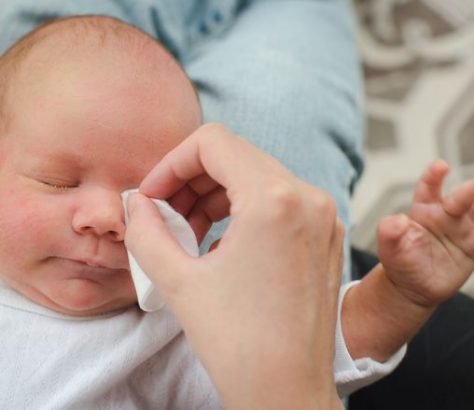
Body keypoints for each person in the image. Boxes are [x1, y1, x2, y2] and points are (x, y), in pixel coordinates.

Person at [0, 15, 473, 409]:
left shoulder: (170, 332)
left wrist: (398, 295)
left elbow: (305, 351)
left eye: (142, 198)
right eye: (57, 182)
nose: (107, 218)